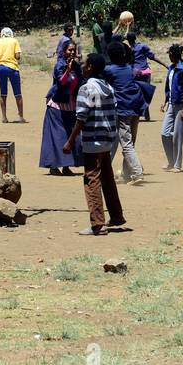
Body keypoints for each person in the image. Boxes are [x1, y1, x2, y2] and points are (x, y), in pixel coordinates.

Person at [63, 52, 124, 236]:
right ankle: (116, 216)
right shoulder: (108, 87)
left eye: (84, 64)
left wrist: (70, 141)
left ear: (89, 67)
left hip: (93, 140)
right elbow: (114, 112)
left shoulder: (86, 89)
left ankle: (97, 224)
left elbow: (81, 118)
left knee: (91, 180)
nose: (81, 66)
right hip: (107, 139)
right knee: (107, 178)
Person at [103, 40, 152, 186]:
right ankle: (127, 173)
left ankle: (137, 173)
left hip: (122, 110)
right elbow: (139, 73)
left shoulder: (110, 70)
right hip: (136, 109)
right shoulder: (130, 69)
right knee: (130, 142)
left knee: (126, 143)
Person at [40, 38, 82, 176]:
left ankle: (67, 166)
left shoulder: (76, 66)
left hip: (71, 106)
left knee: (72, 137)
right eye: (69, 50)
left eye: (73, 50)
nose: (72, 52)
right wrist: (67, 71)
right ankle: (53, 166)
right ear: (64, 51)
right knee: (58, 136)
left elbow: (81, 82)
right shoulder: (60, 65)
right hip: (57, 107)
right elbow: (61, 81)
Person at [160, 43, 183, 172]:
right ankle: (171, 161)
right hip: (172, 104)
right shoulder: (171, 68)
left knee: (178, 136)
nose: (169, 57)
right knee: (165, 133)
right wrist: (165, 101)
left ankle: (177, 165)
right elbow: (169, 87)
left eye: (170, 55)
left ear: (174, 55)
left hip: (182, 105)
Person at [127, 31, 162, 120]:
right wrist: (165, 65)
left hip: (133, 74)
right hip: (144, 73)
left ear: (127, 40)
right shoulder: (142, 47)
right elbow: (153, 57)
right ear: (135, 38)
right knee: (145, 93)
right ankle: (147, 115)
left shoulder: (127, 49)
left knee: (135, 94)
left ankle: (134, 116)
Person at [0, 26, 24, 123]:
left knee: (3, 93)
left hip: (1, 68)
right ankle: (21, 117)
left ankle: (4, 117)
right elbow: (17, 56)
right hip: (13, 68)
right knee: (17, 93)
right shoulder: (14, 41)